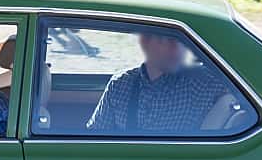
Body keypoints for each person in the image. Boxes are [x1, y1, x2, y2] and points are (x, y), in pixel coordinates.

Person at [87, 30, 229, 134]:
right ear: (145, 42)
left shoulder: (202, 83)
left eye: (180, 41)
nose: (175, 48)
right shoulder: (121, 83)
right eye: (166, 40)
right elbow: (95, 137)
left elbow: (239, 79)